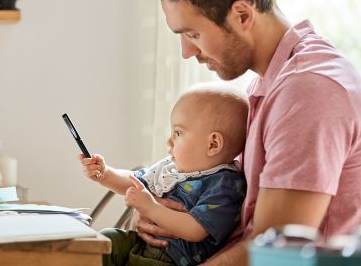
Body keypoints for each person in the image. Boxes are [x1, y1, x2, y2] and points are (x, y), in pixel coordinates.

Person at [138, 0, 361, 265]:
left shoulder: (309, 91)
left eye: (193, 33)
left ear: (242, 14)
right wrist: (169, 217)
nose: (186, 52)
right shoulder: (271, 83)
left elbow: (274, 256)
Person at [80, 83, 249, 266]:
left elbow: (196, 229)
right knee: (106, 239)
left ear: (213, 144)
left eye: (178, 132)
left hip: (172, 260)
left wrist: (151, 207)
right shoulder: (172, 166)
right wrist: (105, 173)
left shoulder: (226, 184)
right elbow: (134, 181)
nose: (169, 140)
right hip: (142, 245)